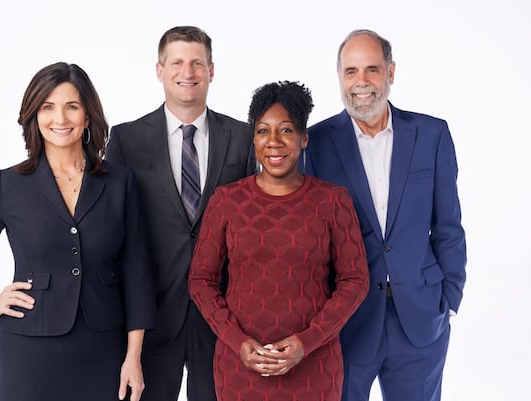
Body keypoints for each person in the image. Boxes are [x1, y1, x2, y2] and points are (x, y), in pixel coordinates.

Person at [0, 62, 156, 401]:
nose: (60, 119)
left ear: (87, 116)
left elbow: (137, 271)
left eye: (71, 106)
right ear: (34, 116)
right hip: (30, 347)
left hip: (104, 346)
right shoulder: (10, 184)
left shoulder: (120, 183)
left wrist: (133, 356)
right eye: (48, 107)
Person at [304, 29, 467, 401]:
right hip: (348, 321)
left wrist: (449, 298)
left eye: (372, 70)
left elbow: (449, 227)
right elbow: (311, 238)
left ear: (391, 73)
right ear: (339, 76)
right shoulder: (316, 143)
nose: (361, 82)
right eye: (351, 71)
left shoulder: (431, 134)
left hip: (421, 319)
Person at [188, 80, 369, 401]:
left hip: (314, 367)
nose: (273, 142)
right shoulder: (227, 200)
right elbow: (202, 280)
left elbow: (354, 280)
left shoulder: (332, 201)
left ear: (304, 138)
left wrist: (308, 341)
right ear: (253, 138)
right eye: (262, 131)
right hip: (240, 367)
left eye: (285, 130)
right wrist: (236, 341)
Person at [106, 26, 256, 401]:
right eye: (177, 62)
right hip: (151, 316)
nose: (187, 72)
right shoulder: (125, 139)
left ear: (211, 70)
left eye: (196, 63)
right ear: (160, 70)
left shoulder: (243, 137)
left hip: (222, 318)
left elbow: (254, 223)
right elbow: (113, 231)